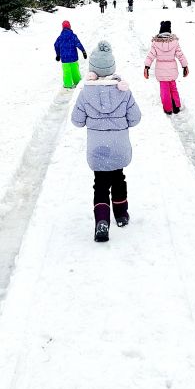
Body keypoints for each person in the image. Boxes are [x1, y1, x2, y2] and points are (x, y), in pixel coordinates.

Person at [72, 40, 141, 242]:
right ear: (112, 68)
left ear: (92, 70)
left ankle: (102, 220)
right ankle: (121, 214)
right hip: (119, 147)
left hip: (98, 149)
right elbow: (135, 118)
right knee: (119, 178)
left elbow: (77, 121)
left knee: (100, 183)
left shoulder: (85, 94)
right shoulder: (124, 91)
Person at [144, 20, 189, 115]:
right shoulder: (175, 42)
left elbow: (150, 55)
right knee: (173, 87)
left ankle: (168, 109)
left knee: (164, 90)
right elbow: (180, 55)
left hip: (161, 71)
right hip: (172, 70)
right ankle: (176, 106)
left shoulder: (156, 43)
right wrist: (185, 66)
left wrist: (147, 67)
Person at [54, 20, 87, 88]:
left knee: (67, 72)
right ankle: (77, 82)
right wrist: (83, 51)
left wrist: (58, 55)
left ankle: (68, 84)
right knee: (75, 70)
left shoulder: (60, 37)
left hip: (64, 58)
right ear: (70, 27)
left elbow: (56, 45)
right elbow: (78, 44)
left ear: (62, 27)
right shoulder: (73, 36)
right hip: (73, 57)